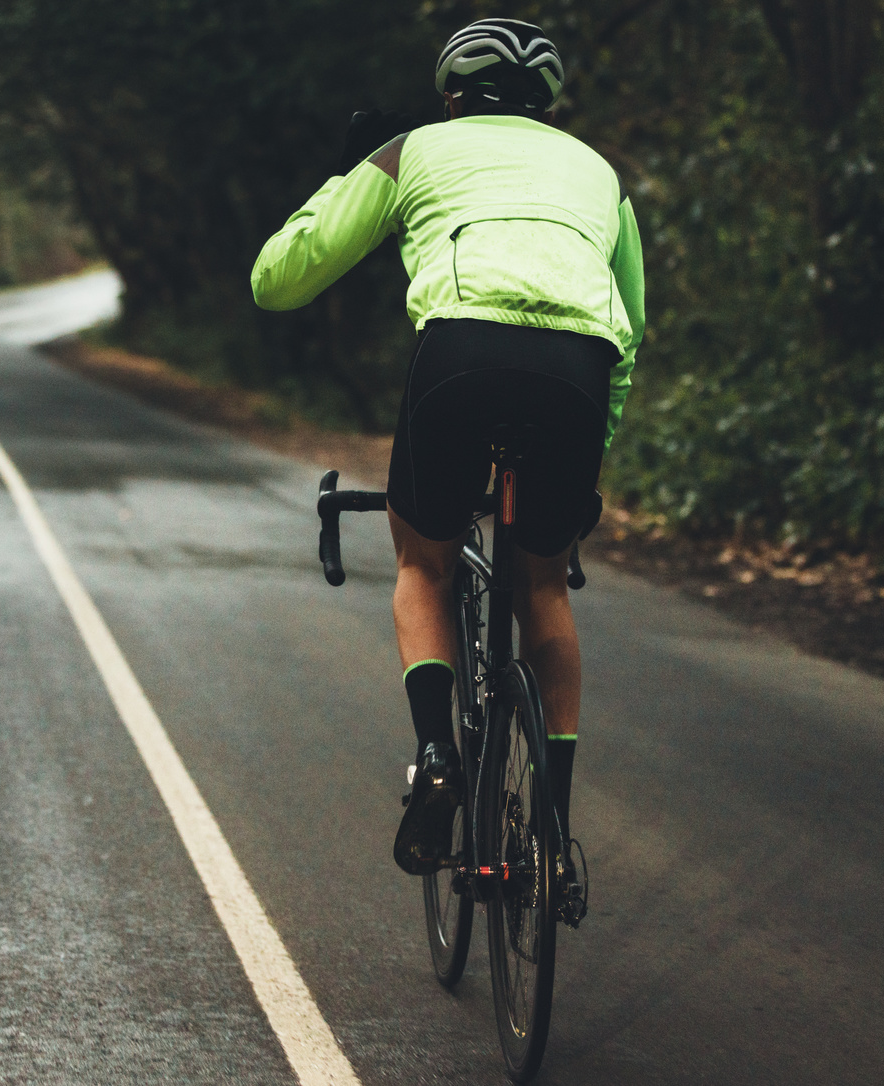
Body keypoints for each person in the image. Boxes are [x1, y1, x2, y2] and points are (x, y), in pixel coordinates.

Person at [250, 19, 645, 908]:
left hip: (459, 359)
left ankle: (435, 754)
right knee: (541, 586)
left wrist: (347, 174)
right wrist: (593, 450)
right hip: (576, 374)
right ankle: (551, 836)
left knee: (421, 558)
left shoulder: (412, 150)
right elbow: (632, 324)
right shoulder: (598, 175)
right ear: (547, 104)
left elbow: (276, 280)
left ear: (451, 96)